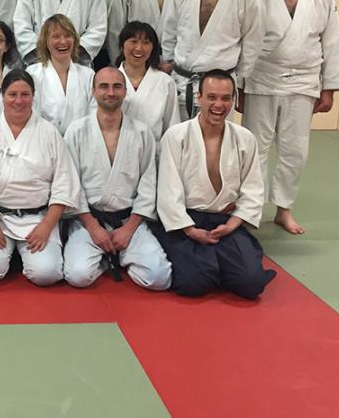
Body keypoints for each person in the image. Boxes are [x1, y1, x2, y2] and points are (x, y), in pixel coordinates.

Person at [240, 0, 339, 235]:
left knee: (295, 150)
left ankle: (283, 209)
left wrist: (329, 88)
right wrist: (240, 87)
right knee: (254, 148)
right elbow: (245, 45)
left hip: (303, 82)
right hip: (261, 80)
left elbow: (332, 45)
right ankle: (250, 209)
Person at [153, 70, 276, 299]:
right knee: (194, 283)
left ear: (233, 100)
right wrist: (190, 230)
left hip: (226, 222)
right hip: (187, 222)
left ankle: (218, 264)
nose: (219, 105)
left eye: (225, 98)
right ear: (199, 97)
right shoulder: (176, 136)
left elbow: (253, 189)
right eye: (211, 97)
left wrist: (232, 224)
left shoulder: (244, 138)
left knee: (251, 284)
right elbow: (168, 191)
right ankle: (214, 265)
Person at [0, 70, 82, 286]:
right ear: (3, 96)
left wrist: (46, 226)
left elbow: (64, 184)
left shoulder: (49, 133)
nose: (18, 101)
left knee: (46, 274)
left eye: (25, 94)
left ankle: (24, 255)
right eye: (12, 94)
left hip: (37, 219)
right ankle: (5, 254)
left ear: (33, 96)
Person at [62, 67, 171, 290]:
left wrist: (129, 228)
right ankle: (108, 257)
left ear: (125, 92)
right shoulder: (77, 131)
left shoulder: (142, 133)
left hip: (129, 221)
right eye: (104, 86)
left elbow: (148, 183)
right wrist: (93, 227)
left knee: (159, 277)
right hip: (89, 221)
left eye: (117, 87)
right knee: (78, 276)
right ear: (93, 91)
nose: (110, 92)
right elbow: (71, 184)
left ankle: (117, 254)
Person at [161, 0, 264, 119]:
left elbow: (252, 46)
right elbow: (169, 34)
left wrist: (237, 81)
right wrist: (168, 64)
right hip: (182, 83)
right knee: (178, 135)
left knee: (217, 137)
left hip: (220, 91)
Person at [26, 14, 95, 135]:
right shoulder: (33, 74)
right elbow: (30, 115)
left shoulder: (88, 75)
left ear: (75, 40)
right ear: (45, 42)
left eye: (68, 36)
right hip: (44, 140)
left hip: (81, 141)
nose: (63, 41)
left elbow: (94, 115)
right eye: (56, 36)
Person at [115, 21, 180, 142]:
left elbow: (173, 127)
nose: (139, 48)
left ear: (153, 48)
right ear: (122, 45)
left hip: (154, 150)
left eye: (146, 43)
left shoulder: (165, 82)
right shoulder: (109, 80)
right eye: (133, 41)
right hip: (117, 147)